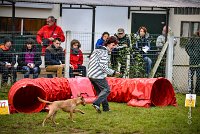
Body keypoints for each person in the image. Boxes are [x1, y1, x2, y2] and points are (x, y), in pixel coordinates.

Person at [88, 36, 120, 113]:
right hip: (98, 76)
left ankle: (106, 108)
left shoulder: (97, 50)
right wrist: (114, 72)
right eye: (113, 45)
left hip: (91, 75)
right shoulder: (104, 53)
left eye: (115, 45)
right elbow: (103, 67)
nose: (114, 47)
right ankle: (96, 103)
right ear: (108, 44)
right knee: (107, 90)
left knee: (101, 92)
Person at [185, 31, 200, 95]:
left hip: (199, 61)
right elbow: (187, 47)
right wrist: (192, 55)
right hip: (193, 61)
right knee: (191, 75)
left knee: (199, 76)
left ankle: (198, 91)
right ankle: (190, 90)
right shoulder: (193, 38)